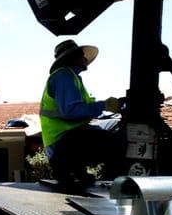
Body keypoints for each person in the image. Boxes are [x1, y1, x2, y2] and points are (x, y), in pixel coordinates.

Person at [40, 39, 125, 192]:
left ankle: (76, 172)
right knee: (119, 145)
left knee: (95, 135)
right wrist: (103, 105)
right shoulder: (64, 76)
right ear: (71, 58)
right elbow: (71, 111)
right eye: (81, 55)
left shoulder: (71, 78)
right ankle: (117, 186)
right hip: (64, 144)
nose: (85, 59)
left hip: (64, 144)